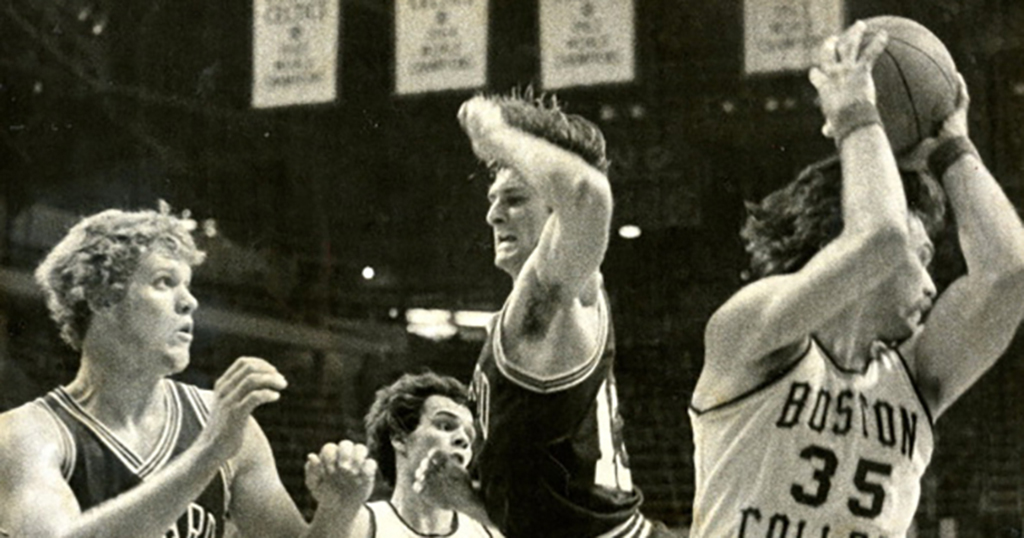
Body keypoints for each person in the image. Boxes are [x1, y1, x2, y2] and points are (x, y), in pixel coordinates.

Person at [690, 21, 1024, 537]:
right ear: (838, 239)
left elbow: (1011, 274)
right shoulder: (749, 334)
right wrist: (853, 110)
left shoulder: (916, 376)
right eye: (925, 256)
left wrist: (951, 146)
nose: (933, 288)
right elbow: (880, 236)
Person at [0, 203, 342, 537]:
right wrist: (206, 455)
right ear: (101, 298)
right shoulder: (26, 435)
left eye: (188, 285)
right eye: (164, 281)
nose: (189, 301)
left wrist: (337, 508)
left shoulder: (221, 423)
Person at [458, 92, 673, 538]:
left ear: (555, 213)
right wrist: (462, 498)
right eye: (493, 199)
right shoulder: (535, 311)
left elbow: (586, 193)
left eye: (514, 198)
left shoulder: (553, 293)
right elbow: (553, 507)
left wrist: (497, 134)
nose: (493, 214)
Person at [303, 372, 502, 537]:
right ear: (399, 438)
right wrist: (332, 512)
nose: (463, 439)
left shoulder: (490, 531)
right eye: (445, 425)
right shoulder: (361, 525)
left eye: (469, 435)